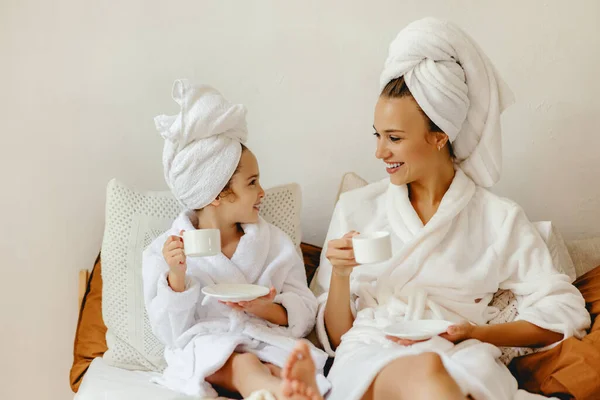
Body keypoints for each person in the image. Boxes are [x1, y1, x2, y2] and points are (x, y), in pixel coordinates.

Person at [312, 18, 590, 400]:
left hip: (465, 353)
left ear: (439, 137)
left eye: (394, 138)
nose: (379, 152)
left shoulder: (498, 218)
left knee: (445, 375)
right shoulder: (357, 207)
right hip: (372, 349)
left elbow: (563, 309)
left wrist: (479, 334)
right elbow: (338, 336)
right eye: (377, 136)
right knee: (423, 375)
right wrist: (341, 275)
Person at [143, 80, 329, 400]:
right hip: (208, 346)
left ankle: (285, 386)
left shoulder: (275, 244)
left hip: (266, 341)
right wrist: (176, 276)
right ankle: (277, 391)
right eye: (252, 182)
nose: (262, 193)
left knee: (264, 364)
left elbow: (304, 311)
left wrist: (266, 307)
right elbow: (171, 334)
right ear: (217, 193)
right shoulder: (167, 250)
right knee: (242, 365)